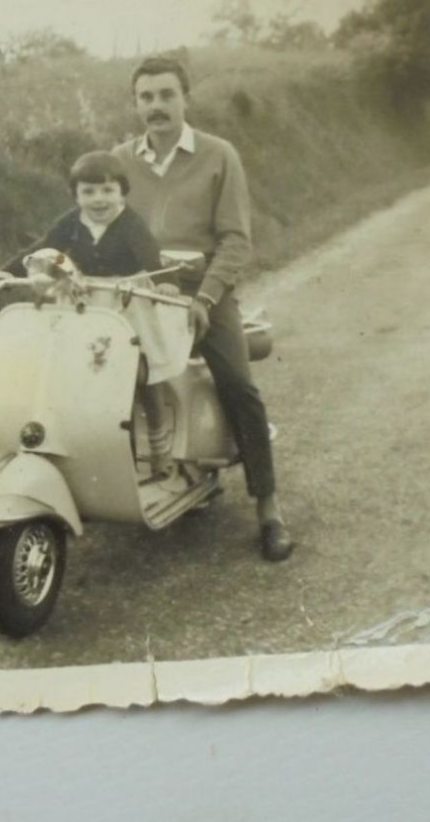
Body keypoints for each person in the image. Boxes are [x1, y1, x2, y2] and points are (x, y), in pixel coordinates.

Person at [111, 56, 294, 562]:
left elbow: (236, 240)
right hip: (142, 294)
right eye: (146, 97)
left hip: (204, 292)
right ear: (135, 104)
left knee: (238, 384)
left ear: (185, 99)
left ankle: (270, 511)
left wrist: (206, 299)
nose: (156, 106)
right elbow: (93, 223)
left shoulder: (219, 156)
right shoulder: (120, 160)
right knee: (96, 373)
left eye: (166, 95)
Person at [0, 151, 178, 478]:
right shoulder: (71, 221)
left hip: (127, 302)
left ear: (122, 192)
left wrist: (166, 284)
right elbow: (40, 250)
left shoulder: (130, 223)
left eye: (108, 190)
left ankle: (159, 445)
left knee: (141, 371)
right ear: (76, 195)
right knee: (74, 372)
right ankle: (85, 446)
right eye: (89, 192)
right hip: (85, 302)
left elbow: (151, 256)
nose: (99, 199)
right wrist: (3, 275)